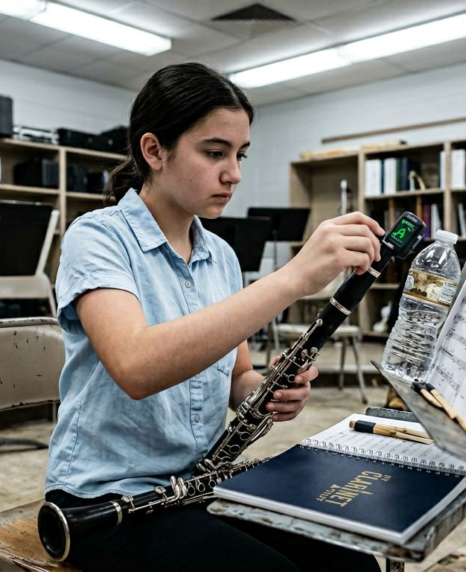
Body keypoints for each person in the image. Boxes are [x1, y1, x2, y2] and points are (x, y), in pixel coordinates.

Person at [44, 62, 385, 572]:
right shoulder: (96, 238)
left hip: (198, 482)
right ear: (154, 150)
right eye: (214, 153)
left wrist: (264, 391)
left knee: (350, 561)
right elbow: (136, 367)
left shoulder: (221, 255)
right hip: (105, 504)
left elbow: (237, 377)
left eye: (240, 154)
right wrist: (291, 279)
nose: (234, 173)